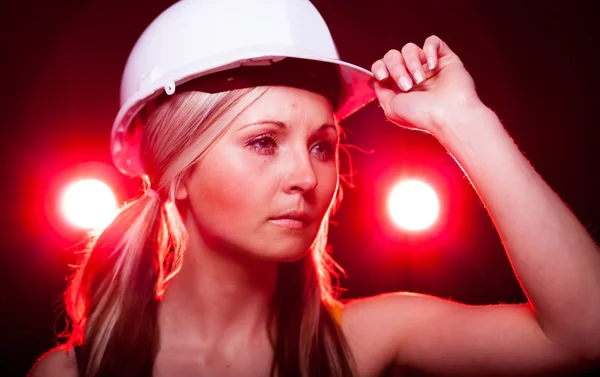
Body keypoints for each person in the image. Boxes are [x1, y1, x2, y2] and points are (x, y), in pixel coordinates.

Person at [29, 0, 600, 376]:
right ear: (177, 175)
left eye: (322, 146)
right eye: (262, 142)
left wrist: (462, 118)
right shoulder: (70, 373)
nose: (307, 177)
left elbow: (585, 332)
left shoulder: (366, 341)